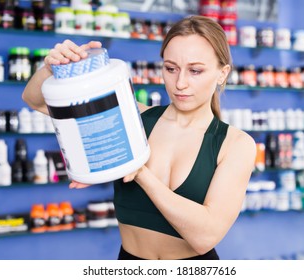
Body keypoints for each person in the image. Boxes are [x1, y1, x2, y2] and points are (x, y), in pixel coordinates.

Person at [22, 15, 256, 260]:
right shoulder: (132, 117)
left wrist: (141, 173)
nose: (180, 83)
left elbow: (204, 238)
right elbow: (35, 100)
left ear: (222, 73)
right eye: (170, 68)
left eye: (195, 71)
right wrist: (52, 67)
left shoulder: (235, 145)